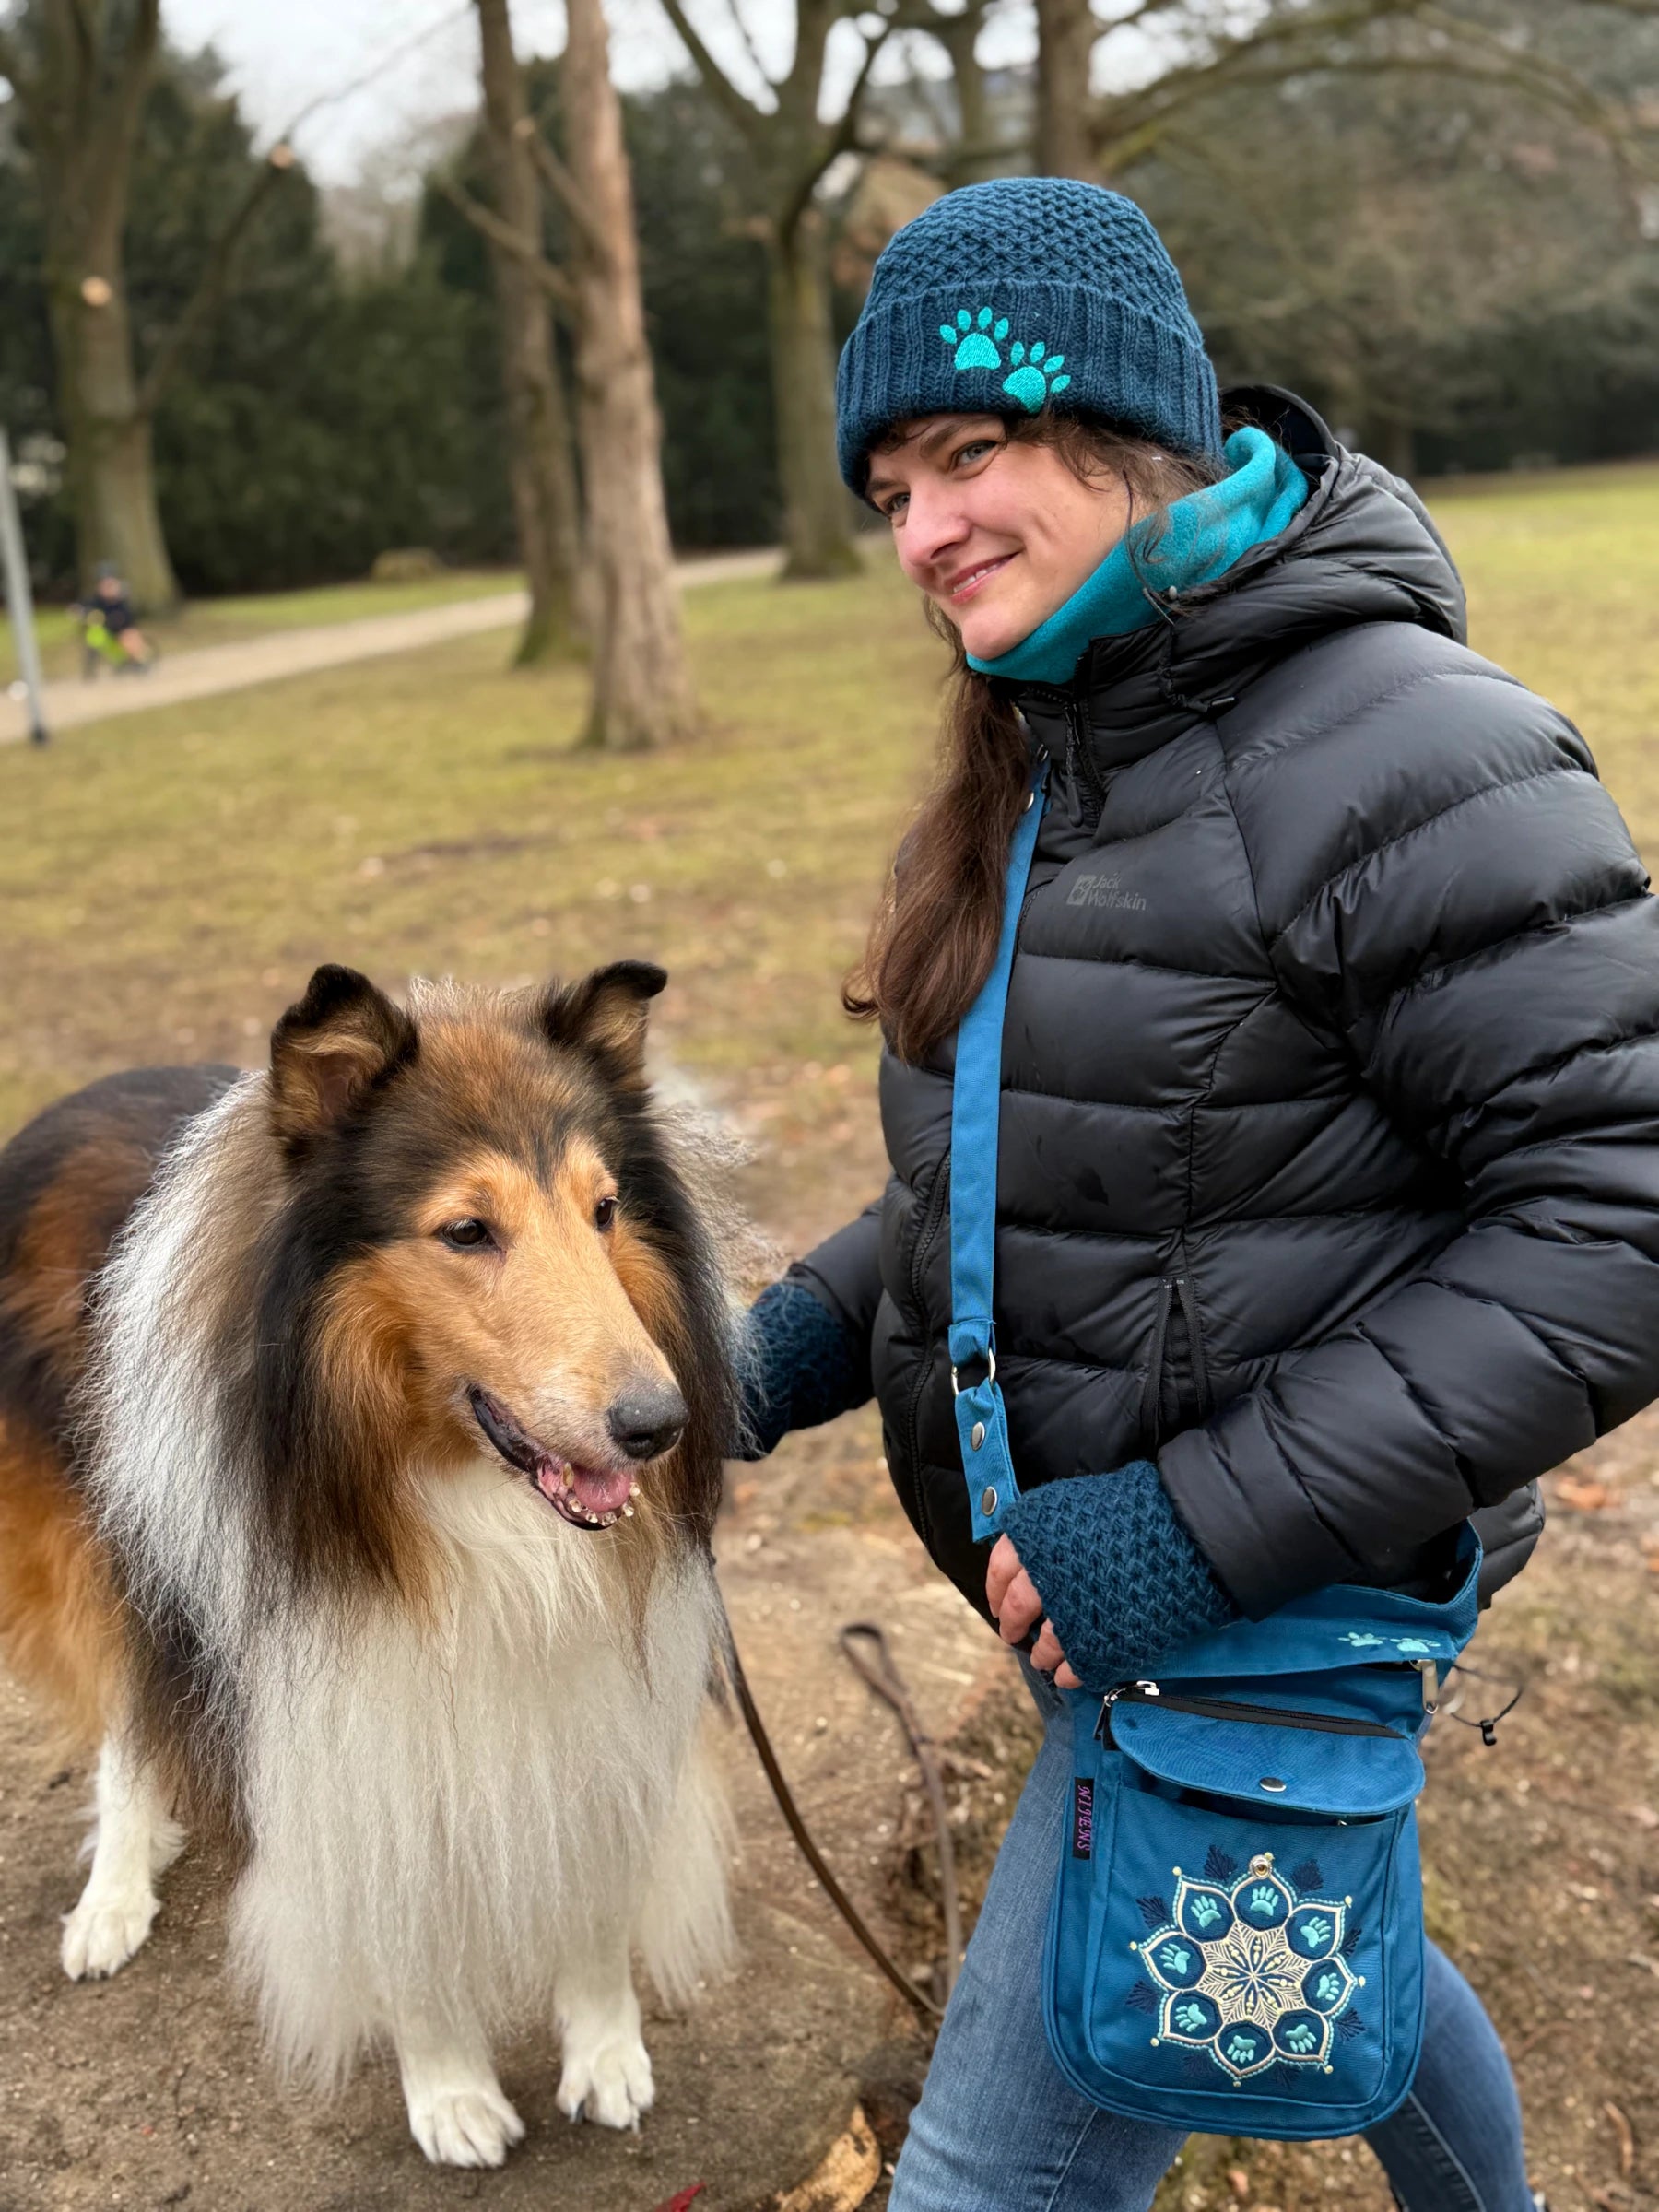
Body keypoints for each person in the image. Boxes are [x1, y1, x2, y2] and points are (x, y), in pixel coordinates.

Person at [735, 178, 1659, 2211]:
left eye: (968, 454)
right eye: (891, 484)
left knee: (988, 2179)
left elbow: (1621, 1215)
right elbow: (1083, 1167)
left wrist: (1184, 1530)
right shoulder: (1060, 741)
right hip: (1138, 1567)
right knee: (1336, 1941)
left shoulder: (1413, 748)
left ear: (1127, 430)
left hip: (1249, 1589)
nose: (923, 531)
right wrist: (780, 1344)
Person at [76, 563, 153, 677]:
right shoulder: (97, 600)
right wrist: (79, 610)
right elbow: (84, 605)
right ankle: (93, 668)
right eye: (104, 585)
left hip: (123, 627)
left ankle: (138, 662)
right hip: (108, 629)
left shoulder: (121, 599)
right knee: (94, 637)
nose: (107, 588)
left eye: (110, 585)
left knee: (129, 638)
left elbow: (129, 615)